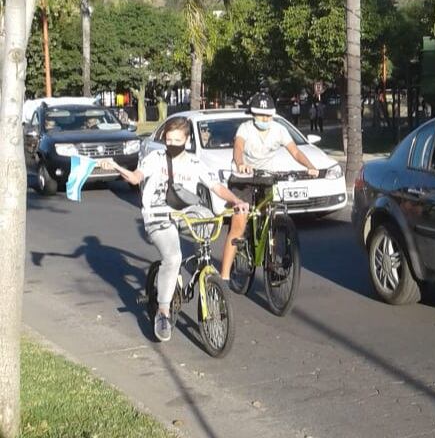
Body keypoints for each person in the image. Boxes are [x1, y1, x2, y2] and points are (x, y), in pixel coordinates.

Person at [99, 116, 248, 343]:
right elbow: (135, 178)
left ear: (187, 140)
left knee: (208, 220)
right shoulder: (155, 158)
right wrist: (116, 166)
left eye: (178, 139)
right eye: (169, 139)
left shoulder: (195, 162)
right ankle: (163, 311)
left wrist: (236, 201)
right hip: (158, 215)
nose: (173, 143)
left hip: (184, 213)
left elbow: (216, 187)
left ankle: (202, 269)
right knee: (173, 256)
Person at [220, 92, 319, 283]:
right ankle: (223, 276)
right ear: (253, 115)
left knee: (270, 219)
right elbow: (238, 148)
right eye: (260, 115)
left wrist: (310, 167)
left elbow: (295, 151)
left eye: (268, 115)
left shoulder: (279, 130)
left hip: (266, 178)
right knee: (239, 224)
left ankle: (272, 260)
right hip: (244, 179)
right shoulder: (245, 129)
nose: (265, 119)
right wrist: (240, 164)